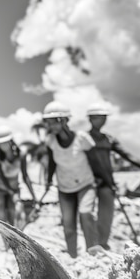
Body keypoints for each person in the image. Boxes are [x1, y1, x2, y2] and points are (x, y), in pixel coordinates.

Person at [85, 102, 140, 250]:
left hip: (106, 183)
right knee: (87, 214)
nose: (103, 121)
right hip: (89, 182)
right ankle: (91, 245)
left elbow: (128, 155)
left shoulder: (109, 139)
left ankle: (102, 244)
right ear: (91, 119)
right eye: (99, 117)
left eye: (104, 118)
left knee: (106, 215)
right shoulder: (83, 139)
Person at [42, 101, 102, 258]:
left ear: (63, 120)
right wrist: (48, 181)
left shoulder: (82, 139)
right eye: (48, 122)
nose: (51, 126)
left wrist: (105, 180)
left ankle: (93, 255)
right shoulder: (51, 141)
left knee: (86, 213)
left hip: (86, 185)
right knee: (68, 225)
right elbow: (51, 162)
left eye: (53, 122)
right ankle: (73, 258)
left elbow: (95, 161)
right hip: (64, 188)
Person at [0, 125, 34, 229]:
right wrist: (11, 192)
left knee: (15, 217)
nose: (3, 145)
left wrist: (33, 196)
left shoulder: (21, 154)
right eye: (0, 143)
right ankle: (6, 245)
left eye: (5, 142)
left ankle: (15, 244)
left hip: (14, 188)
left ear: (11, 141)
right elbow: (1, 176)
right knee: (1, 221)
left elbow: (25, 176)